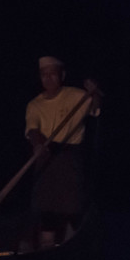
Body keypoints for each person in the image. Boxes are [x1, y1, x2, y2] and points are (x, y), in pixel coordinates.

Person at [24, 56, 101, 248]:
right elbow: (33, 129)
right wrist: (38, 145)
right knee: (45, 209)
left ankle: (72, 245)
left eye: (52, 74)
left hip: (70, 157)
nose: (48, 79)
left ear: (62, 75)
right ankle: (46, 248)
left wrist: (94, 92)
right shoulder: (34, 105)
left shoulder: (76, 95)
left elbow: (95, 107)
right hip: (45, 155)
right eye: (44, 75)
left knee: (72, 208)